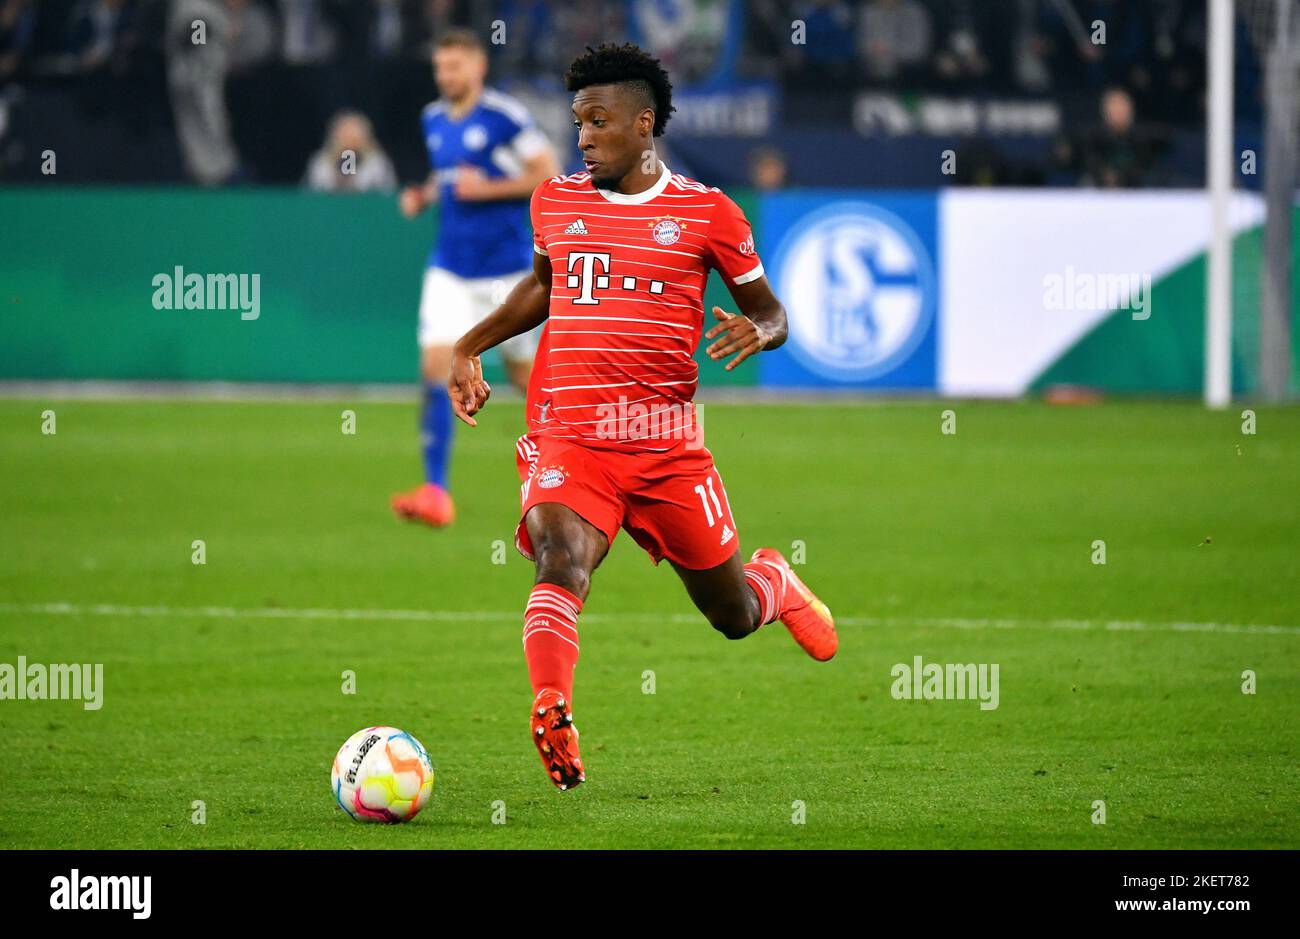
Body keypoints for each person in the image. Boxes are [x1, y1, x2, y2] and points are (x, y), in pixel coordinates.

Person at [447, 43, 837, 791]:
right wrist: (470, 346)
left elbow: (772, 311)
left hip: (663, 444)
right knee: (558, 554)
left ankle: (775, 583)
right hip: (572, 430)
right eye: (577, 122)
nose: (584, 136)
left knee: (731, 613)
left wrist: (760, 331)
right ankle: (551, 702)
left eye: (599, 121)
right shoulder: (556, 200)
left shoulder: (708, 213)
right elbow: (543, 287)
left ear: (644, 122)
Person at [390, 28, 560, 527]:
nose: (446, 76)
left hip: (508, 273)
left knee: (524, 379)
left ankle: (558, 478)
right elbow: (449, 177)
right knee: (435, 367)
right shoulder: (433, 119)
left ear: (478, 67)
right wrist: (423, 195)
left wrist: (485, 190)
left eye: (455, 66)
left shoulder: (505, 117)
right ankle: (435, 490)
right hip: (450, 265)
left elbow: (547, 174)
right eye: (441, 67)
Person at [303, 110, 397, 193]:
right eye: (344, 133)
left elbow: (387, 192)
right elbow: (311, 192)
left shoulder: (377, 162)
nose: (349, 139)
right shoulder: (321, 161)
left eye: (354, 134)